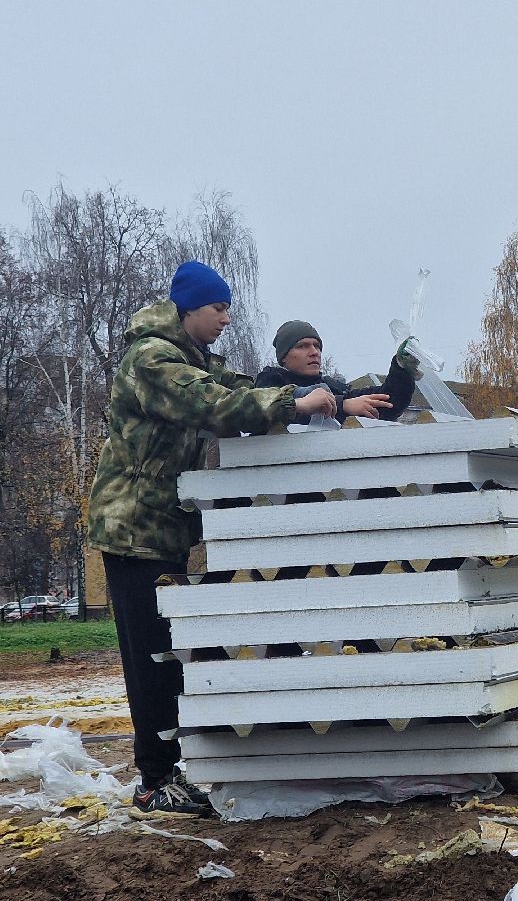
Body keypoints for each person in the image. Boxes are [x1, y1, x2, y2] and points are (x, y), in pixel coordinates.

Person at [87, 261, 338, 819]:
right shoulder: (152, 360)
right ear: (189, 308)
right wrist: (293, 404)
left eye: (228, 309)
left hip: (163, 527)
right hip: (133, 530)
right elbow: (213, 406)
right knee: (150, 659)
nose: (226, 318)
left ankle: (171, 771)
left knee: (170, 654)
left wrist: (330, 400)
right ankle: (153, 782)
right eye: (218, 308)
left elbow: (239, 389)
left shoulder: (194, 359)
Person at [254, 320, 418, 421]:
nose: (314, 352)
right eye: (302, 346)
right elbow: (277, 410)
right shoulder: (269, 385)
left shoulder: (334, 388)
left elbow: (387, 402)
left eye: (317, 346)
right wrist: (342, 405)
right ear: (284, 356)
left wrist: (402, 368)